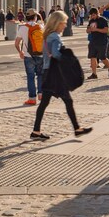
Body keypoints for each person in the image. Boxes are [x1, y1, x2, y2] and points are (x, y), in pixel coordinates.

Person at [30, 11, 92, 140]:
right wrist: (67, 58)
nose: (65, 25)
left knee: (45, 103)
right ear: (57, 23)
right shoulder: (55, 37)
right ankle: (77, 129)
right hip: (55, 75)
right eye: (64, 23)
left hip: (48, 72)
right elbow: (56, 54)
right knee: (67, 101)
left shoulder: (47, 35)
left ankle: (36, 131)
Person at [15, 9, 44, 105]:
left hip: (28, 56)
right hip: (40, 55)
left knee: (30, 77)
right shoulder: (41, 26)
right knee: (40, 75)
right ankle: (41, 94)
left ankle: (32, 98)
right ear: (35, 17)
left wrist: (20, 52)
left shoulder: (22, 28)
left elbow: (17, 43)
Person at [85, 7, 109, 80]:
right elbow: (88, 30)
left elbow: (106, 30)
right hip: (93, 41)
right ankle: (94, 74)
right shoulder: (91, 20)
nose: (92, 16)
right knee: (92, 57)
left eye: (94, 15)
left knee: (102, 57)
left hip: (102, 41)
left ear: (97, 14)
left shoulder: (102, 20)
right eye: (91, 15)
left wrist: (96, 29)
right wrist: (88, 30)